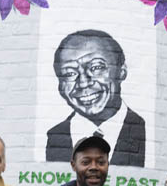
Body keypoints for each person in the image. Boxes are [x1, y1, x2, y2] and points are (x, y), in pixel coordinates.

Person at [46, 30, 146, 167]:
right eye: (69, 73)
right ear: (60, 86)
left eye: (96, 67)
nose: (83, 83)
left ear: (121, 71)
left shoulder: (144, 132)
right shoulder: (54, 137)